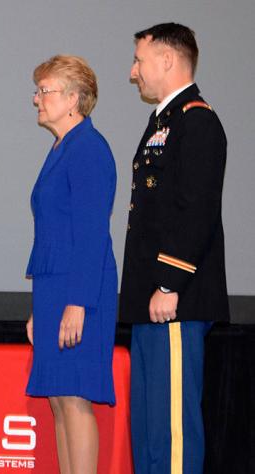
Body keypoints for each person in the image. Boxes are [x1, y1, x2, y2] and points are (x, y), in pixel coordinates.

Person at [120, 23, 228, 474]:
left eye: (139, 60)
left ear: (167, 60)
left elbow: (194, 208)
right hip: (154, 300)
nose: (133, 72)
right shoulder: (165, 121)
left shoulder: (197, 120)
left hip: (173, 299)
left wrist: (169, 281)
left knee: (175, 430)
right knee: (149, 427)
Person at [25, 55, 118, 474]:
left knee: (76, 399)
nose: (37, 99)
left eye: (45, 91)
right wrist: (40, 308)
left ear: (74, 99)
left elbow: (91, 232)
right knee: (60, 399)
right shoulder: (62, 148)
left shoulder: (88, 149)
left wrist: (77, 303)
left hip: (79, 291)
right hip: (54, 290)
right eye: (39, 90)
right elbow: (55, 233)